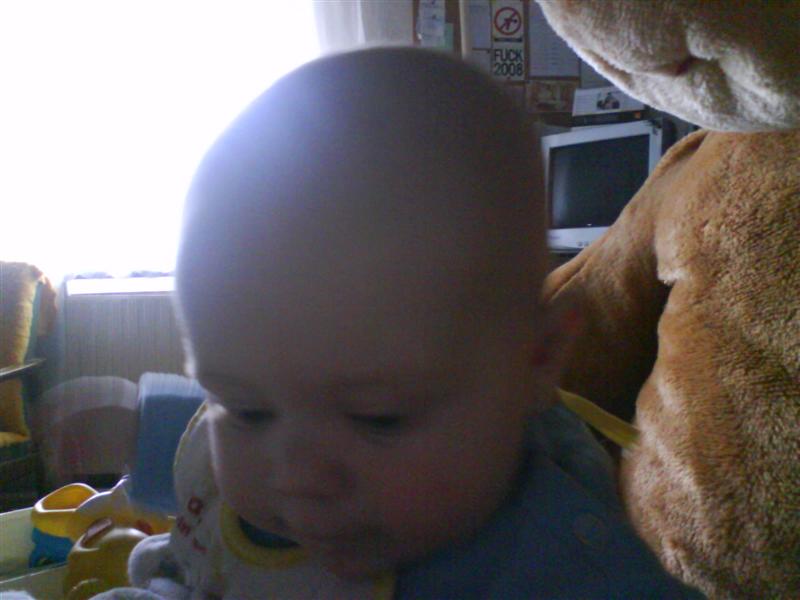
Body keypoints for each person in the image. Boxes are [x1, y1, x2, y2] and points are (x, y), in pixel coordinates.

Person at [100, 48, 702, 599]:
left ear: (536, 362)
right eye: (247, 410)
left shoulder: (564, 576)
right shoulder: (273, 411)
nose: (298, 476)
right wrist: (130, 424)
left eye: (377, 417)